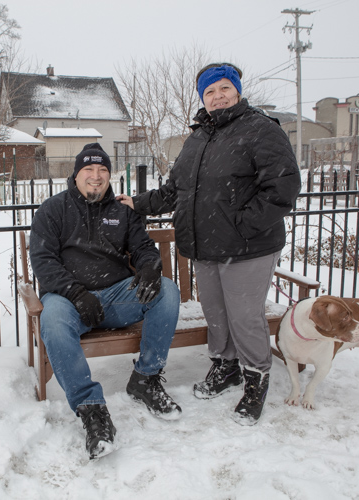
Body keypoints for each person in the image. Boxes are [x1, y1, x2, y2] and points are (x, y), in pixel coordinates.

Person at [117, 63, 301, 425]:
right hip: (204, 247)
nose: (217, 97)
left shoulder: (261, 130)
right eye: (209, 92)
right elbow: (176, 191)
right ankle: (226, 367)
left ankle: (256, 380)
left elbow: (282, 189)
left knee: (245, 317)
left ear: (237, 90)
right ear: (202, 97)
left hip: (249, 247)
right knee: (216, 314)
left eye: (223, 89)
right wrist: (137, 204)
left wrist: (242, 225)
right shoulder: (198, 137)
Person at [29, 142, 182, 459]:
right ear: (76, 174)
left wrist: (150, 268)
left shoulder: (121, 212)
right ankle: (91, 409)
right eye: (89, 169)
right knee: (53, 322)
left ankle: (146, 379)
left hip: (115, 299)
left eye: (103, 170)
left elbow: (142, 249)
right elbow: (43, 261)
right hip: (69, 301)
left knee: (167, 291)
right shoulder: (52, 210)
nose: (96, 176)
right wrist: (76, 293)